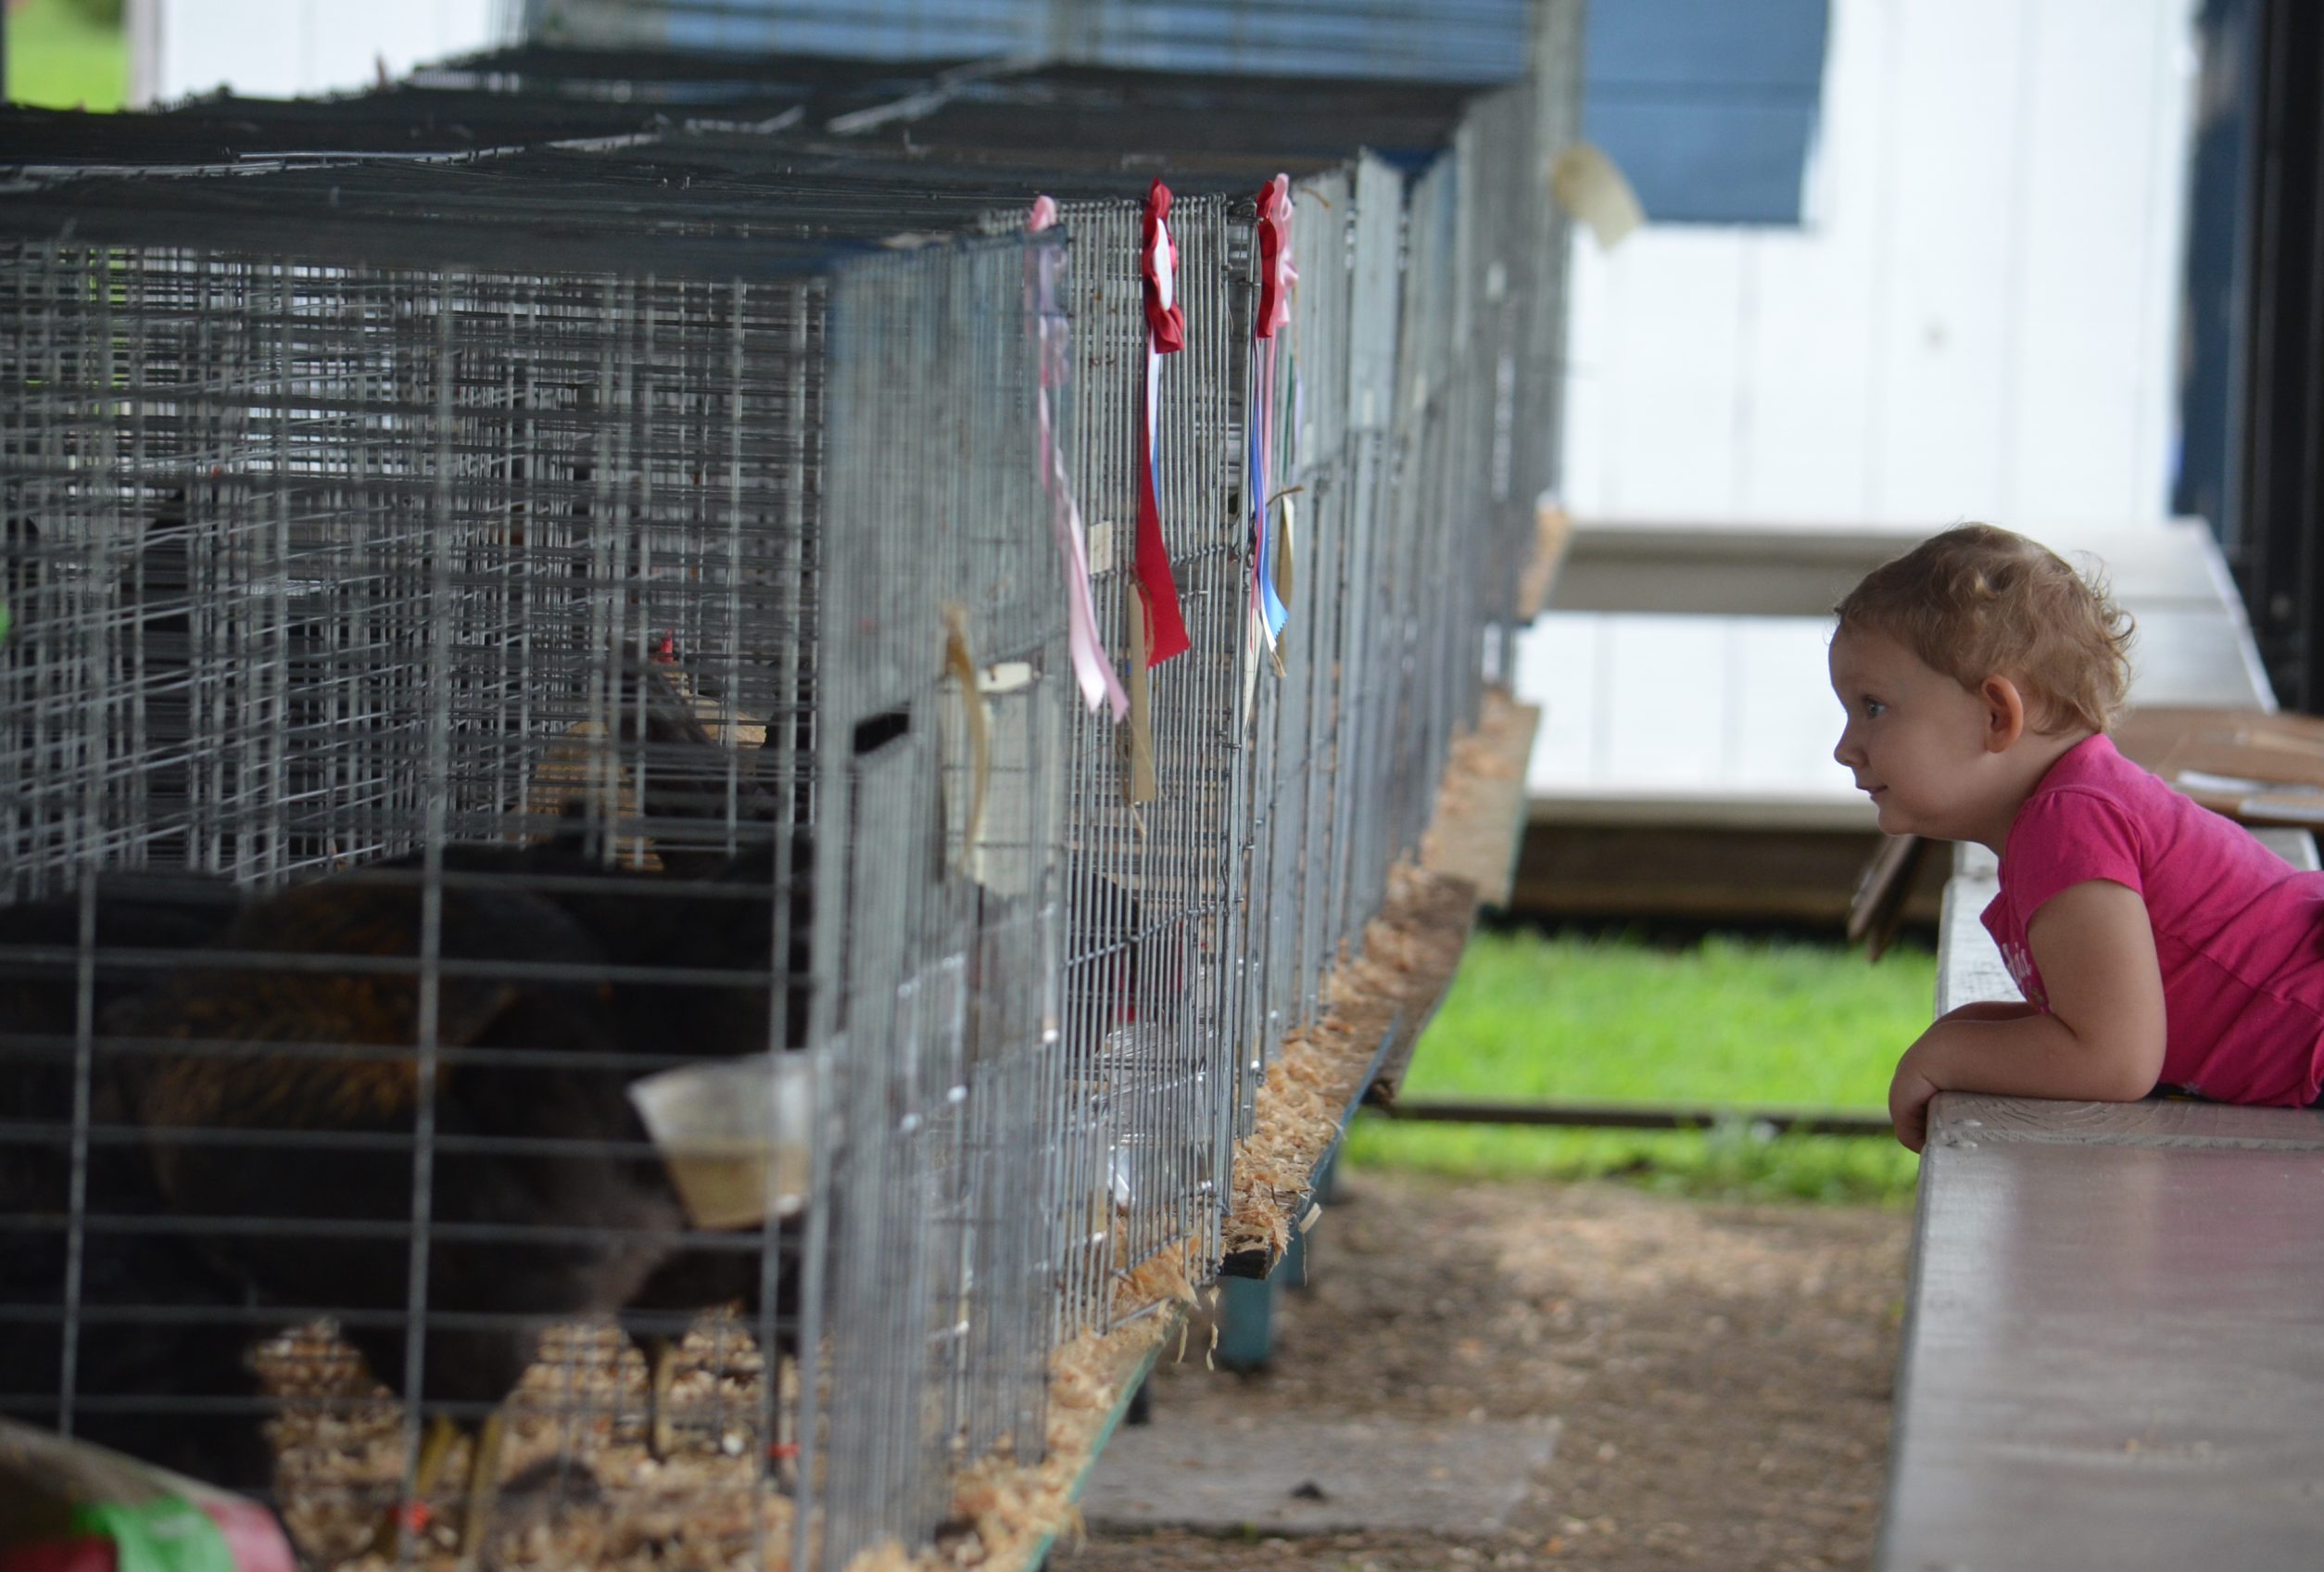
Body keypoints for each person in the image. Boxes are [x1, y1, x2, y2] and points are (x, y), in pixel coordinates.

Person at [1828, 524, 2324, 1151]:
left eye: (1872, 708)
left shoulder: (2067, 826)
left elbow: (2114, 1059)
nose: (1845, 749)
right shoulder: (2070, 807)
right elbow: (2096, 1029)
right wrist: (1969, 1030)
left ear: (1996, 715)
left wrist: (1945, 1053)